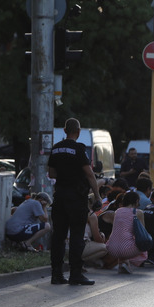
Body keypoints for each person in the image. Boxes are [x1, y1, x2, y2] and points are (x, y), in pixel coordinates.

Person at [47, 117, 102, 285]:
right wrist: (97, 196)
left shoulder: (55, 149)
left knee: (58, 236)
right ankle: (75, 274)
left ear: (65, 131)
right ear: (78, 132)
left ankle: (56, 274)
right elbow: (89, 174)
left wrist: (65, 175)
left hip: (60, 197)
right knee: (77, 236)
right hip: (75, 199)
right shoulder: (79, 148)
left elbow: (51, 174)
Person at [105, 191, 149, 274]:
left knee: (124, 241)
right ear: (136, 201)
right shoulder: (138, 213)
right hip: (126, 249)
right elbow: (142, 234)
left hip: (112, 248)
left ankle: (123, 263)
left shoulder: (117, 211)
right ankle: (126, 262)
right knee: (144, 245)